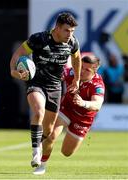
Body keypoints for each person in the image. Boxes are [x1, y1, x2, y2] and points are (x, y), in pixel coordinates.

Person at [10, 12, 81, 168]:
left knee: (48, 131)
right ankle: (36, 152)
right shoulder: (39, 39)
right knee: (38, 112)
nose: (70, 34)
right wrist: (13, 71)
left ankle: (40, 144)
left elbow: (77, 59)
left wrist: (76, 79)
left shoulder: (72, 43)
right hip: (36, 83)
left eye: (72, 31)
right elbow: (18, 53)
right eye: (67, 30)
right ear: (57, 28)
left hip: (55, 86)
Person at [34, 53, 105, 175]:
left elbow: (97, 105)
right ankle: (41, 165)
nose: (81, 71)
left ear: (95, 70)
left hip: (83, 119)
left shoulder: (97, 84)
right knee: (51, 136)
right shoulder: (72, 72)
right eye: (81, 67)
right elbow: (54, 75)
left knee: (66, 152)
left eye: (86, 70)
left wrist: (83, 103)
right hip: (66, 109)